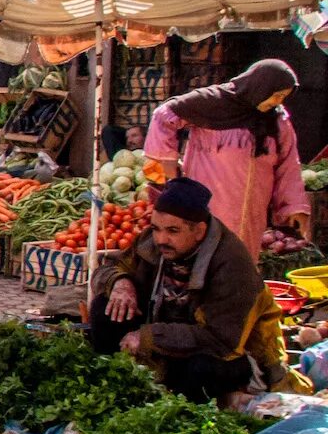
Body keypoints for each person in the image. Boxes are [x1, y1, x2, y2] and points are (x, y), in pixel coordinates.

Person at [89, 176, 288, 404]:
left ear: (200, 231)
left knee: (201, 369)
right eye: (156, 229)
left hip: (232, 354)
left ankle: (179, 407)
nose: (161, 239)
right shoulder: (152, 242)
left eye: (173, 231)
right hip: (168, 333)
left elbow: (219, 340)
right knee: (105, 308)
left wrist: (148, 336)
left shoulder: (232, 264)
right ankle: (115, 388)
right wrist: (120, 282)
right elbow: (110, 268)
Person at [144, 59, 308, 261]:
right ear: (259, 87)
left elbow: (288, 166)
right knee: (206, 260)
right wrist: (168, 165)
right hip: (210, 203)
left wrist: (293, 207)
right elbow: (164, 116)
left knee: (242, 264)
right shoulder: (211, 103)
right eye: (276, 96)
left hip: (252, 211)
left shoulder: (277, 121)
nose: (277, 102)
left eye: (283, 97)